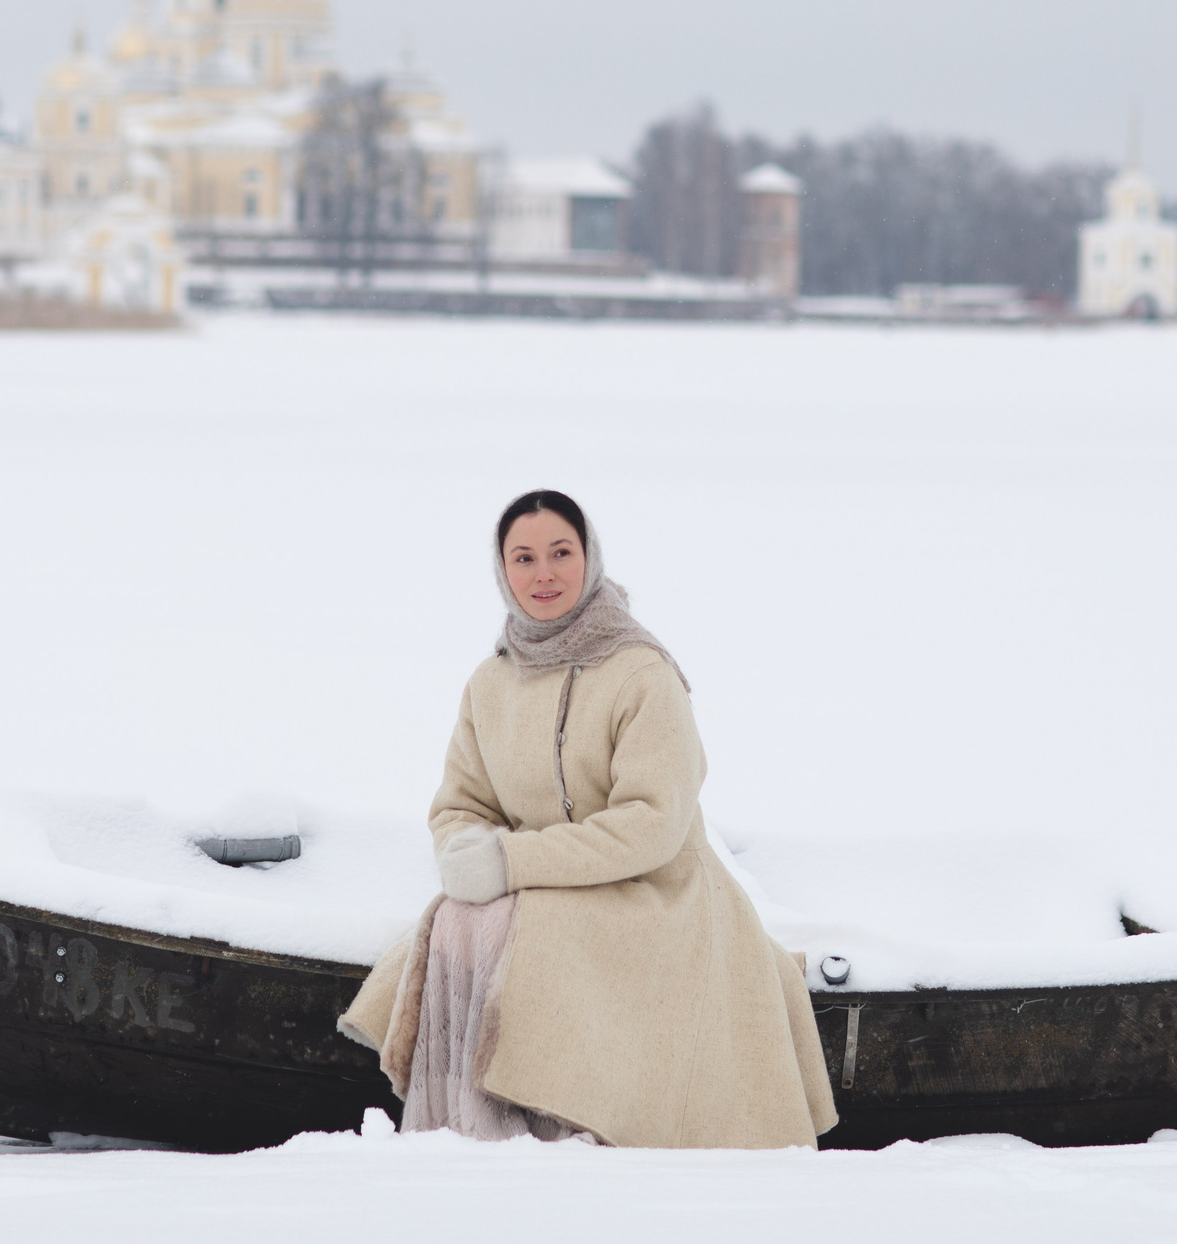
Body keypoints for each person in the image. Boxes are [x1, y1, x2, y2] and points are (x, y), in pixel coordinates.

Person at [338, 489, 838, 1148]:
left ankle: (558, 1128)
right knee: (455, 921)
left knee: (522, 929)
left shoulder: (642, 671)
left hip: (661, 894)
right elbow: (462, 804)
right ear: (502, 570)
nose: (543, 573)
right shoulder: (491, 682)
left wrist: (511, 862)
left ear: (589, 557)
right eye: (524, 557)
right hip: (550, 887)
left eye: (560, 553)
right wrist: (467, 851)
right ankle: (465, 1130)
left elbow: (652, 825)